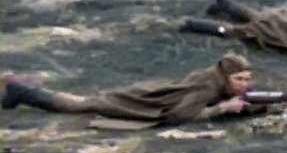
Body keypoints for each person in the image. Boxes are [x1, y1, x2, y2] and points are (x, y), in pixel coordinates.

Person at [2, 54, 268, 127]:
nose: (245, 83)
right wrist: (221, 109)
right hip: (140, 103)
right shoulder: (207, 86)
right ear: (226, 76)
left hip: (149, 95)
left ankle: (20, 90)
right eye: (240, 79)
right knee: (81, 105)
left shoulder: (215, 77)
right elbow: (179, 115)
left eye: (247, 79)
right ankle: (21, 92)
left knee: (86, 101)